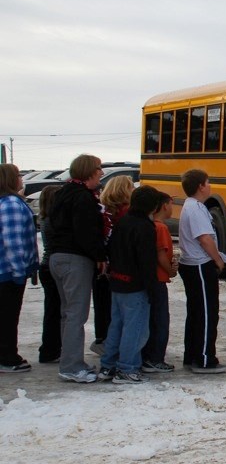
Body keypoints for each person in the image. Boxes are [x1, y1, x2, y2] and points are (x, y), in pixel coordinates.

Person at [49, 154, 105, 383]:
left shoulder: (63, 193)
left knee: (67, 313)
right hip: (75, 259)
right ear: (89, 171)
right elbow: (85, 231)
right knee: (76, 314)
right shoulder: (83, 197)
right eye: (99, 168)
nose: (101, 172)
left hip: (57, 257)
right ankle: (71, 366)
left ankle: (71, 360)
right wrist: (99, 255)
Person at [97, 185, 160, 384]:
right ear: (153, 206)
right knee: (136, 329)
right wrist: (152, 288)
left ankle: (108, 365)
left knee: (116, 325)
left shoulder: (122, 221)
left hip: (117, 281)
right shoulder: (145, 227)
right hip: (136, 285)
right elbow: (146, 261)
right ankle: (127, 367)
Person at [178, 169, 226, 374]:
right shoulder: (196, 209)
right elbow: (205, 238)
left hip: (192, 264)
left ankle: (192, 354)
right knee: (207, 313)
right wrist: (218, 260)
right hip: (199, 264)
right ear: (200, 186)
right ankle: (205, 358)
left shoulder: (191, 206)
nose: (210, 185)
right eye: (208, 182)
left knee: (196, 311)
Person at [0, 164, 39, 373]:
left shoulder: (7, 202)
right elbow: (13, 242)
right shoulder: (11, 205)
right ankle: (7, 357)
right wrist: (19, 272)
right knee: (7, 316)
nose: (21, 178)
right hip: (8, 272)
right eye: (18, 175)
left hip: (6, 271)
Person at [91, 175, 134, 356]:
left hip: (101, 265)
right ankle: (116, 345)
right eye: (131, 187)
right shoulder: (126, 214)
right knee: (120, 310)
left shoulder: (102, 211)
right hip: (119, 268)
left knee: (103, 304)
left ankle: (103, 338)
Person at [141, 191, 178, 373]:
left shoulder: (149, 225)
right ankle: (156, 358)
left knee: (151, 319)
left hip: (150, 279)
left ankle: (147, 355)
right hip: (159, 279)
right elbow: (161, 253)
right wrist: (169, 270)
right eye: (171, 204)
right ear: (164, 206)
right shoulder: (161, 228)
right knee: (161, 320)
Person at [37, 185, 62, 364]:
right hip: (53, 267)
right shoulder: (55, 220)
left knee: (52, 310)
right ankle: (50, 349)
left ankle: (50, 347)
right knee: (55, 311)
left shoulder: (45, 218)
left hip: (46, 266)